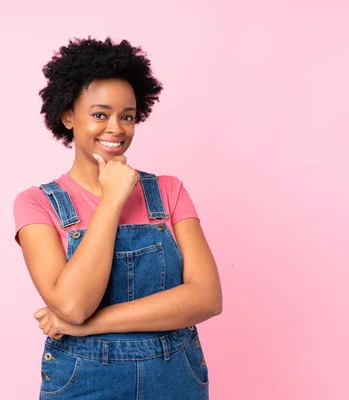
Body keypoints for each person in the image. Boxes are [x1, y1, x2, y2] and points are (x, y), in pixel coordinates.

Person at [13, 36, 222, 399]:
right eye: (99, 114)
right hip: (84, 382)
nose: (116, 128)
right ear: (67, 116)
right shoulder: (36, 204)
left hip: (174, 379)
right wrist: (112, 200)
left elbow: (206, 298)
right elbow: (73, 304)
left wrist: (82, 327)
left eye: (126, 116)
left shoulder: (169, 192)